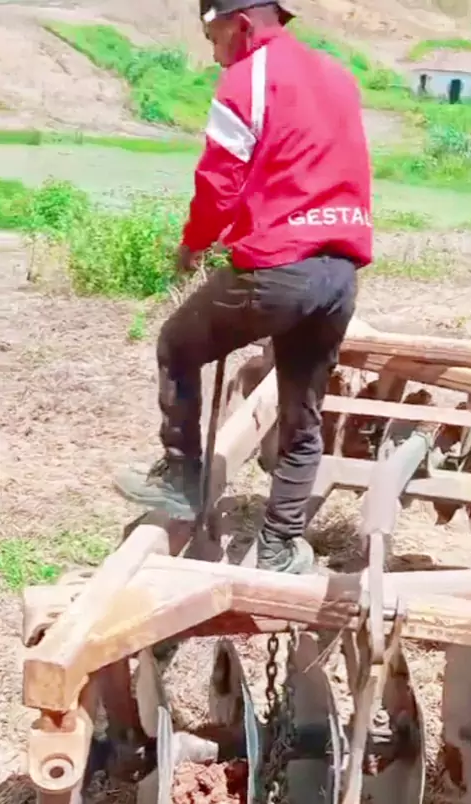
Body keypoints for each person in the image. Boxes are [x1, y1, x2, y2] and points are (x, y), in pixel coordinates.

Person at [114, 0, 373, 575]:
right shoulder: (337, 75)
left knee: (177, 345)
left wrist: (195, 243)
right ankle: (279, 547)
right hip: (339, 271)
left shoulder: (248, 77)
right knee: (302, 416)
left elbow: (218, 178)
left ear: (242, 25)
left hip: (278, 267)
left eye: (213, 36)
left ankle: (181, 477)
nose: (214, 53)